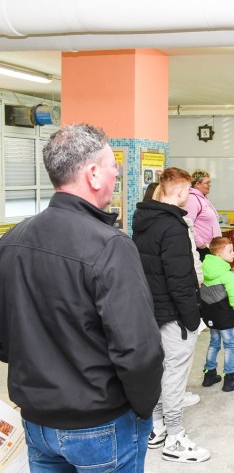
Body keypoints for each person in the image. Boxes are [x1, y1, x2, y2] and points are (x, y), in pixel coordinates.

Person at [0, 123, 164, 471]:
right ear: (92, 174)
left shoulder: (12, 240)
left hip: (37, 422)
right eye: (112, 165)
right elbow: (138, 350)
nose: (117, 173)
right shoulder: (111, 246)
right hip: (101, 423)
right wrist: (142, 408)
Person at [133, 167, 210, 463]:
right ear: (179, 191)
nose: (189, 196)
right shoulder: (174, 225)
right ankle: (175, 438)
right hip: (174, 313)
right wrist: (192, 319)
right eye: (188, 191)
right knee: (175, 373)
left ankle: (157, 426)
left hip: (151, 309)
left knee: (160, 369)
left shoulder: (143, 220)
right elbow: (180, 280)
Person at [200, 236, 234, 392]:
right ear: (219, 255)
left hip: (210, 315)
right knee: (229, 345)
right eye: (230, 251)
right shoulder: (227, 275)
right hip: (224, 315)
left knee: (214, 342)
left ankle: (209, 374)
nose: (233, 253)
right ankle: (230, 378)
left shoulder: (204, 270)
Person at [184, 169, 221, 261]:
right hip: (202, 248)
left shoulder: (203, 198)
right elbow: (188, 224)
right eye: (207, 183)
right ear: (197, 184)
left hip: (210, 246)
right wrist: (201, 244)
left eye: (210, 182)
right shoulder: (192, 199)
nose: (210, 185)